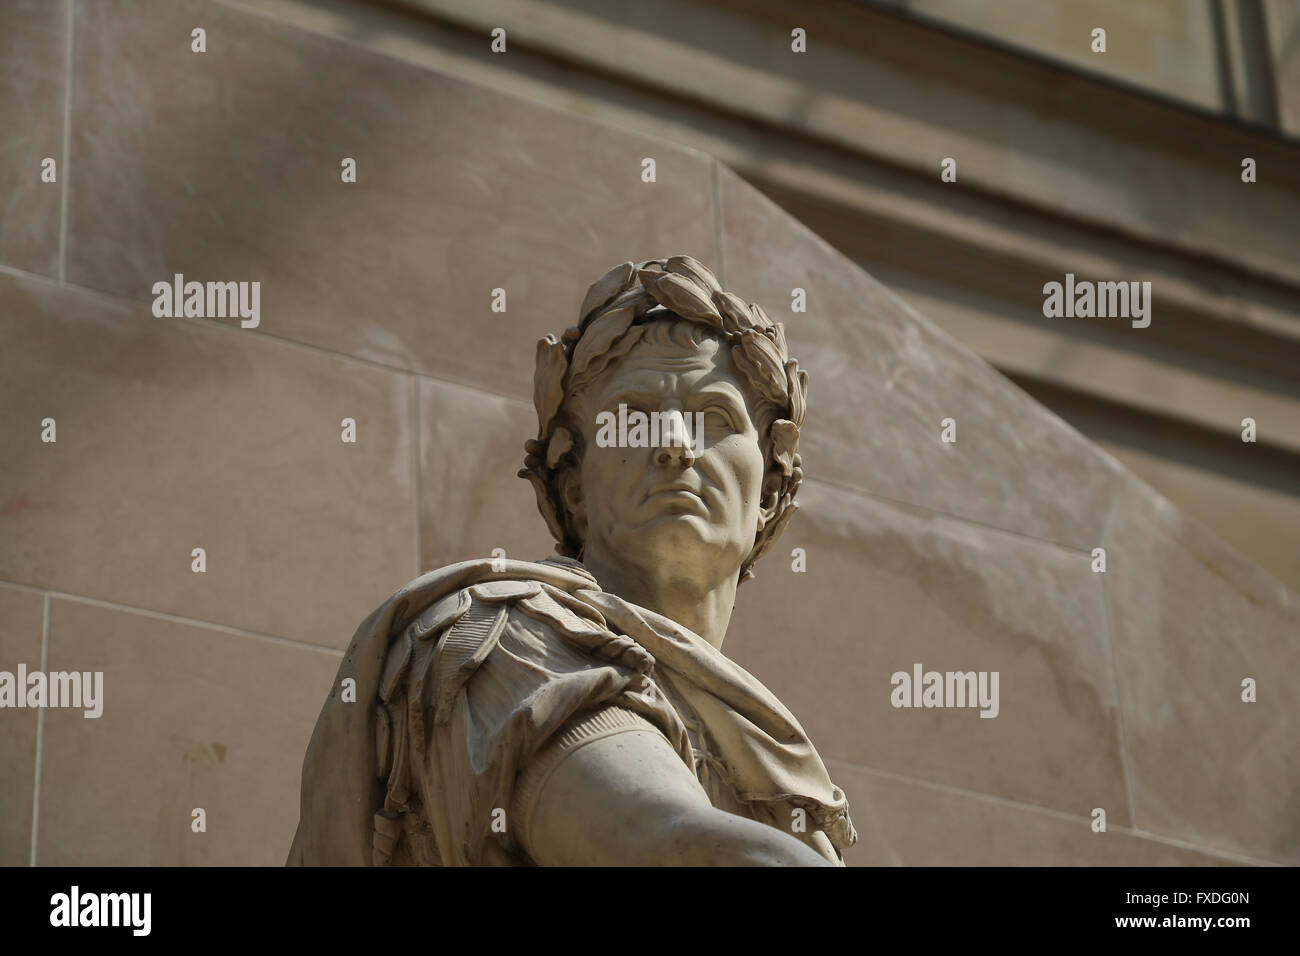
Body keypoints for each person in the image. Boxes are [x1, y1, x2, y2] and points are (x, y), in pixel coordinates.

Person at [288, 256, 856, 866]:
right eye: (631, 419)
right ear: (575, 486)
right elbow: (660, 844)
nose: (672, 444)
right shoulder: (508, 632)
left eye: (714, 416)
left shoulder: (770, 766)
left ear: (771, 488)